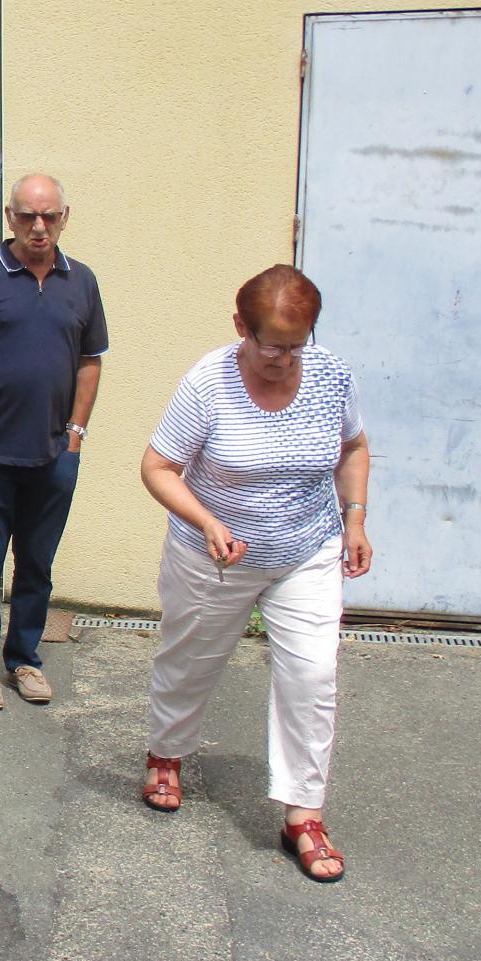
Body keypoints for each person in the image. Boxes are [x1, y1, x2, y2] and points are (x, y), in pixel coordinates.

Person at [139, 264, 373, 884]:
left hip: (307, 550)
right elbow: (159, 466)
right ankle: (167, 751)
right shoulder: (209, 381)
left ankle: (303, 812)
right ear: (241, 326)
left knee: (313, 674)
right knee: (190, 659)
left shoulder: (330, 375)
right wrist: (208, 520)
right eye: (271, 344)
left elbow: (352, 447)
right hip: (215, 556)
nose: (284, 358)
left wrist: (354, 520)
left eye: (298, 344)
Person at [0, 173, 108, 711]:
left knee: (37, 563)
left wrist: (75, 435)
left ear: (64, 218)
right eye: (28, 216)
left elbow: (89, 361)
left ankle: (25, 658)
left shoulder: (81, 281)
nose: (38, 226)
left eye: (49, 216)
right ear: (8, 218)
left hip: (54, 456)